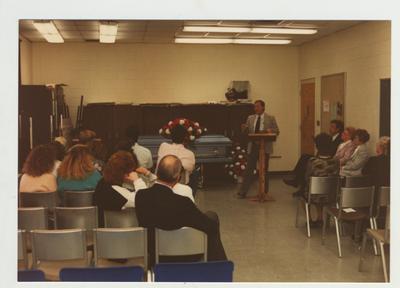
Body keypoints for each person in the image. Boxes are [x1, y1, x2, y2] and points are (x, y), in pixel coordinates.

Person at [135, 155, 227, 265]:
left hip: (153, 254)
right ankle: (219, 268)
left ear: (158, 172)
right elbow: (209, 226)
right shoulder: (183, 202)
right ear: (178, 177)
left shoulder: (140, 196)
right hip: (182, 254)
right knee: (212, 218)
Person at [237, 99, 279, 200]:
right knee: (249, 169)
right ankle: (242, 192)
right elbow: (246, 133)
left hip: (264, 147)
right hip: (253, 146)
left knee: (264, 170)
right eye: (255, 107)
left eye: (258, 106)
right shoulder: (250, 118)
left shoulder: (270, 118)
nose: (255, 108)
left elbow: (277, 131)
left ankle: (264, 192)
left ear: (263, 107)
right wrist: (244, 129)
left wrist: (270, 131)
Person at [283, 119, 344, 189]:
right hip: (323, 155)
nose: (330, 129)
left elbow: (333, 150)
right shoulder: (331, 137)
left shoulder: (339, 139)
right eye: (330, 126)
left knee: (306, 160)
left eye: (332, 127)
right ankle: (297, 179)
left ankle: (297, 181)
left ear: (338, 129)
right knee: (304, 157)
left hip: (328, 158)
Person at [93, 151, 148, 227]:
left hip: (103, 231)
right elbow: (144, 199)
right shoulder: (117, 192)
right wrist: (137, 180)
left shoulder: (102, 183)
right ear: (126, 174)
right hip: (121, 232)